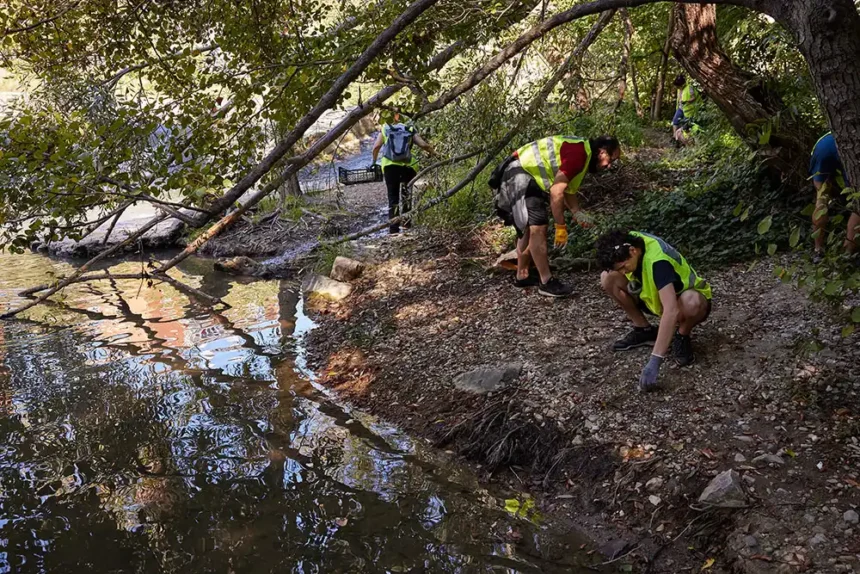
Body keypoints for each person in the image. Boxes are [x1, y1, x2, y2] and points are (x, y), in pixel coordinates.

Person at [491, 135, 621, 297]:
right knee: (538, 226)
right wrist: (560, 226)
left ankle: (522, 275)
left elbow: (568, 190)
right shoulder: (579, 154)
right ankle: (546, 282)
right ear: (602, 152)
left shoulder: (583, 153)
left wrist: (576, 212)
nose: (609, 166)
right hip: (521, 173)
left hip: (520, 172)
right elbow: (556, 191)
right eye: (611, 159)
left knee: (527, 229)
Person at [595, 230, 712, 392]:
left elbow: (671, 310)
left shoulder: (658, 262)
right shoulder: (628, 242)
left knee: (691, 302)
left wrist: (655, 361)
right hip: (653, 298)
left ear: (633, 251)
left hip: (683, 301)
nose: (623, 272)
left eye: (623, 267)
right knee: (607, 277)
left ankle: (682, 335)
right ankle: (644, 329)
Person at [371, 113, 436, 234]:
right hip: (409, 167)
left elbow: (376, 147)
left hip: (390, 167)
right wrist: (436, 154)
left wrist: (374, 162)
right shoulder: (409, 129)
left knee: (393, 198)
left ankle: (394, 229)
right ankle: (406, 225)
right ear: (403, 119)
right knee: (407, 196)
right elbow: (423, 145)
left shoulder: (385, 128)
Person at [809, 131, 859, 259]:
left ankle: (818, 250)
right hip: (850, 147)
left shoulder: (833, 129)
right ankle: (848, 253)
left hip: (823, 147)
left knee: (821, 198)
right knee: (858, 201)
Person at [671, 74, 698, 143]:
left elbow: (694, 98)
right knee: (675, 121)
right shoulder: (678, 89)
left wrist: (687, 101)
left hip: (688, 110)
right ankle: (675, 138)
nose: (677, 87)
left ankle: (686, 141)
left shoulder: (689, 87)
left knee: (686, 127)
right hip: (680, 108)